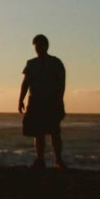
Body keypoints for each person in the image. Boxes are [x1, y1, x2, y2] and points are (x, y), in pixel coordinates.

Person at [18, 34, 66, 169]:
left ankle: (58, 159)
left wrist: (59, 100)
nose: (37, 49)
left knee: (55, 131)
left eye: (39, 46)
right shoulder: (31, 63)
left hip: (51, 101)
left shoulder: (56, 62)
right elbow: (25, 83)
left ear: (46, 46)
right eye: (36, 47)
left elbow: (61, 84)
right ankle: (40, 159)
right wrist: (20, 100)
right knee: (38, 132)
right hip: (35, 101)